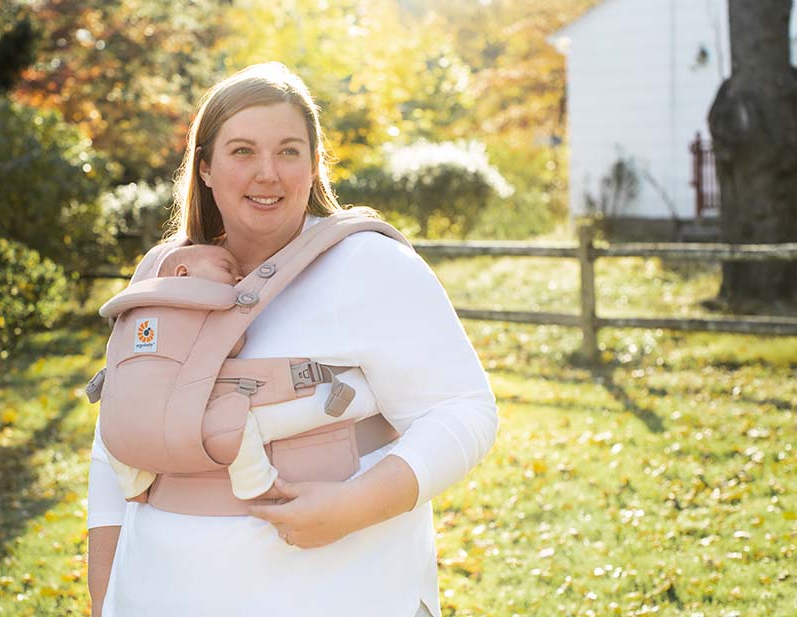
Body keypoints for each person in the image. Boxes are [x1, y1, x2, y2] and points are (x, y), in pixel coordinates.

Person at [87, 62, 499, 617]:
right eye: (241, 152)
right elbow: (114, 441)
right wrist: (106, 593)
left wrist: (354, 506)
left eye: (288, 151)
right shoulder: (165, 273)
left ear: (314, 165)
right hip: (157, 592)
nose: (268, 174)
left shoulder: (370, 264)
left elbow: (463, 410)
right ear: (204, 168)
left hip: (341, 590)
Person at [100, 243, 378, 502]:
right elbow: (233, 345)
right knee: (235, 422)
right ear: (183, 274)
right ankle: (254, 482)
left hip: (129, 414)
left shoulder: (135, 311)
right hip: (183, 410)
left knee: (115, 433)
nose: (237, 279)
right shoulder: (200, 309)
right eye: (227, 269)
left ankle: (134, 486)